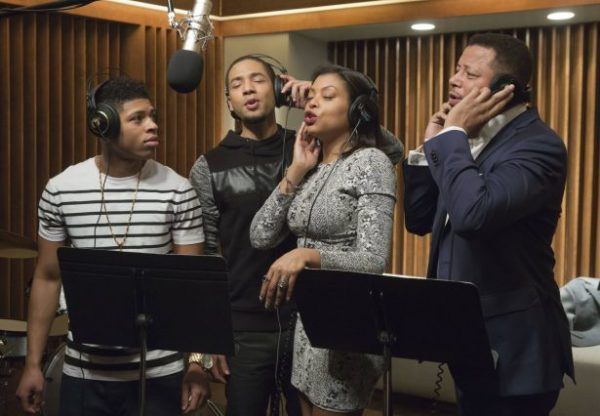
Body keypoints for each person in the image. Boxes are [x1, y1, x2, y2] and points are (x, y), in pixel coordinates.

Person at [16, 76, 210, 415]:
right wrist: (33, 364)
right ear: (103, 125)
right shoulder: (61, 190)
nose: (153, 125)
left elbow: (190, 288)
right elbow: (47, 277)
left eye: (153, 115)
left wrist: (196, 363)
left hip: (159, 374)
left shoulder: (178, 190)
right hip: (84, 373)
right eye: (138, 118)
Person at [403, 33, 574, 415]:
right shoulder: (468, 141)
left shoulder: (537, 145)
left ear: (504, 88)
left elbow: (472, 216)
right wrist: (428, 149)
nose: (453, 80)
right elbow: (419, 219)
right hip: (470, 342)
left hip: (516, 353)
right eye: (456, 69)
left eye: (469, 73)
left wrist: (453, 137)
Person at [249, 64, 400, 416]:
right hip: (306, 325)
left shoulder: (372, 163)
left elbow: (373, 260)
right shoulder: (312, 167)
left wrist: (306, 255)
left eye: (327, 96)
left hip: (346, 326)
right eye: (311, 96)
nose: (312, 103)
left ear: (357, 110)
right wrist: (296, 170)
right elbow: (260, 234)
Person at [189, 54, 309, 416]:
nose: (248, 89)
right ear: (230, 103)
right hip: (243, 328)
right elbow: (206, 258)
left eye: (258, 79)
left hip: (309, 322)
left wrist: (313, 98)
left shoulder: (310, 148)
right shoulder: (209, 166)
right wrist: (207, 341)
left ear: (279, 90)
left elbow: (390, 150)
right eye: (237, 85)